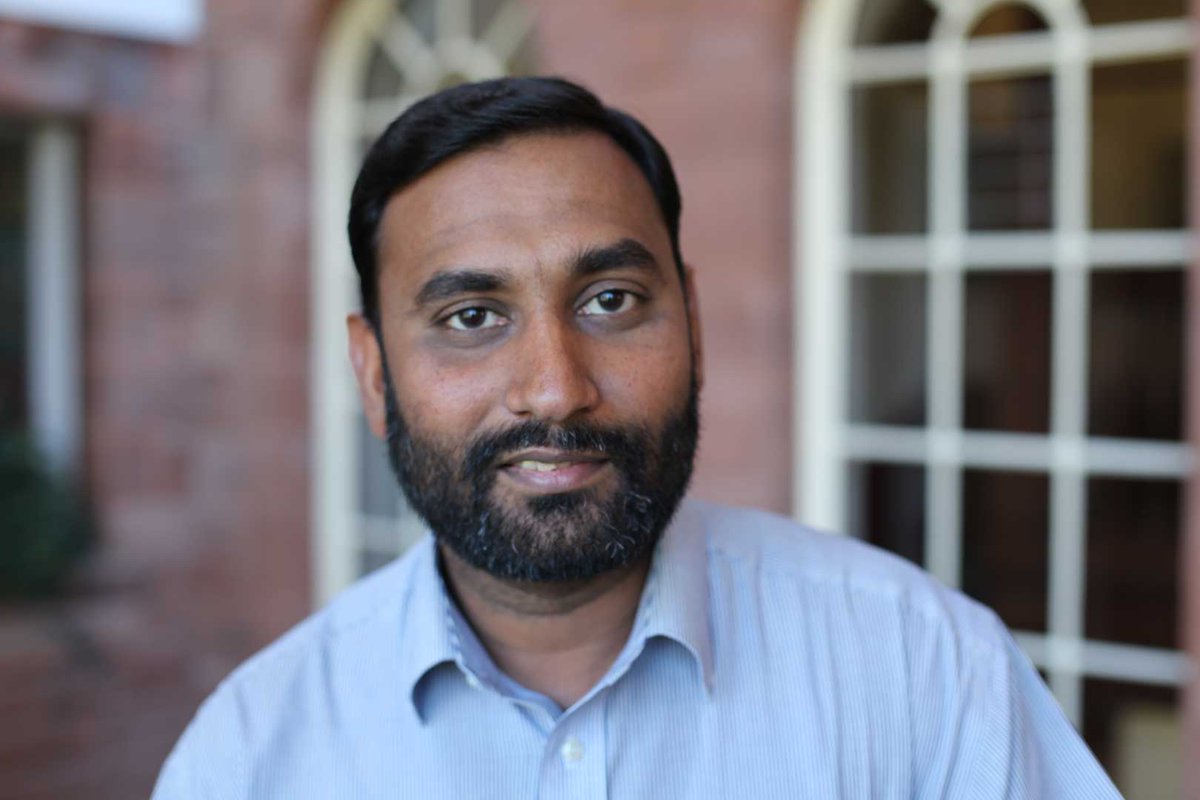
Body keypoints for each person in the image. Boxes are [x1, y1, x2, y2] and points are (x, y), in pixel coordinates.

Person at [151, 76, 1121, 799]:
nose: (556, 388)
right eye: (471, 317)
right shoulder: (248, 755)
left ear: (691, 323)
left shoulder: (924, 669)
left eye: (610, 300)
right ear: (373, 375)